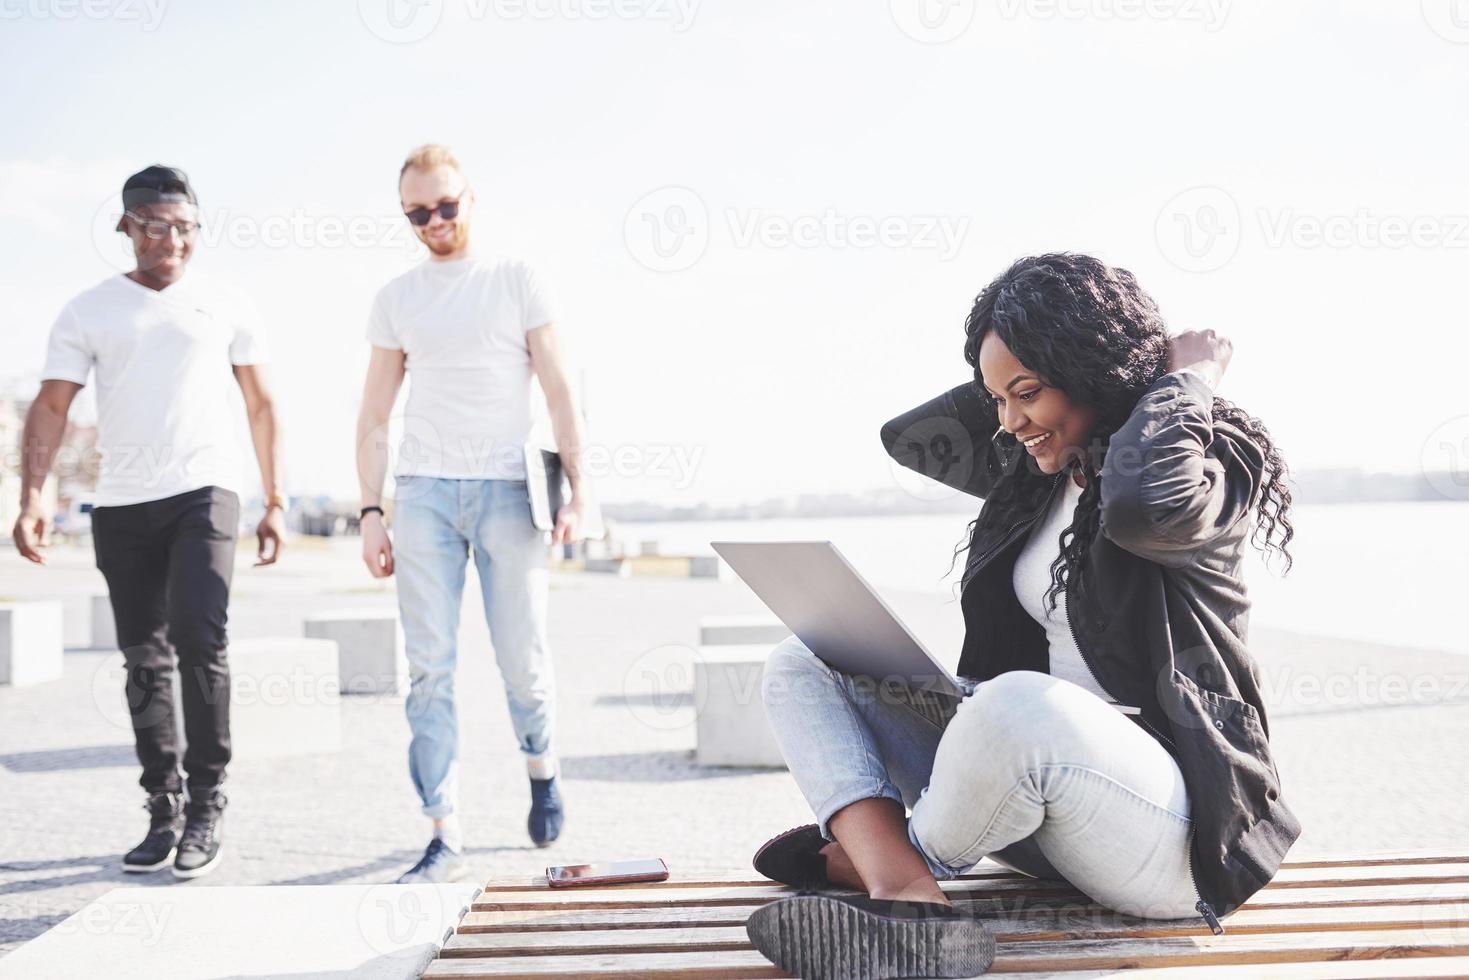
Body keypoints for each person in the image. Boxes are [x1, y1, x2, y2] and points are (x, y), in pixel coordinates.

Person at [745, 253, 1301, 979]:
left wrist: (1178, 381)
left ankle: (883, 860)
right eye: (996, 400)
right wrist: (1012, 358)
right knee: (806, 657)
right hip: (1035, 817)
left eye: (1026, 393)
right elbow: (909, 438)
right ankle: (904, 889)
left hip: (1170, 839)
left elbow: (1140, 508)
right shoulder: (1037, 477)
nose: (1007, 422)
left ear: (1093, 370)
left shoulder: (1202, 467)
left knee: (1014, 705)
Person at [12, 165, 286, 881]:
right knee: (143, 656)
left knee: (203, 636)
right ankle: (162, 805)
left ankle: (207, 800)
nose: (172, 240)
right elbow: (50, 406)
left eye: (186, 228)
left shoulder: (226, 302)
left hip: (206, 489)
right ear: (126, 228)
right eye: (156, 226)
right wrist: (33, 494)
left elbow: (261, 404)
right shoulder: (88, 309)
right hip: (125, 501)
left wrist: (276, 498)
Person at [355, 144, 593, 884]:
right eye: (417, 213)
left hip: (507, 493)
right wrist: (370, 510)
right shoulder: (397, 296)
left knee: (522, 661)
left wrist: (580, 490)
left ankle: (542, 768)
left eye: (445, 206)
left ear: (470, 199)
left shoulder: (516, 278)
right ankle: (442, 830)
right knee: (428, 668)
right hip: (423, 493)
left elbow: (557, 388)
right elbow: (371, 416)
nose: (434, 222)